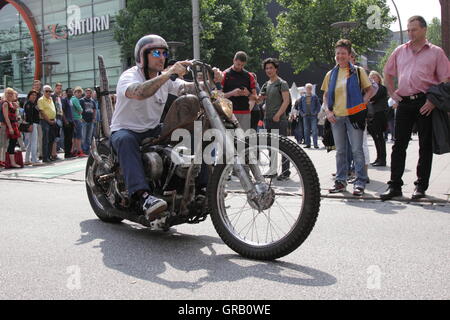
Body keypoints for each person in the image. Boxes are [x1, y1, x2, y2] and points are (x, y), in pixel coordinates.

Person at [110, 34, 222, 222]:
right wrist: (168, 74)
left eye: (164, 53)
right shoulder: (129, 76)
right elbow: (139, 92)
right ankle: (142, 196)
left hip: (154, 129)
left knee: (193, 132)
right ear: (142, 56)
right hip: (126, 129)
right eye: (155, 52)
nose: (161, 57)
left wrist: (212, 79)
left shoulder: (166, 79)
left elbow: (188, 87)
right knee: (125, 140)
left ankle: (204, 189)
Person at [380, 15, 450, 200]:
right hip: (403, 102)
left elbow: (445, 80)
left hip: (425, 102)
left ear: (424, 29)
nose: (410, 33)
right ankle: (394, 185)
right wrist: (392, 93)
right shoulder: (399, 51)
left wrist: (433, 101)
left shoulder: (436, 52)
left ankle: (420, 186)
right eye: (408, 30)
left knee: (425, 145)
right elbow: (387, 73)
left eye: (414, 29)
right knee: (398, 145)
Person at [321, 39, 374, 196]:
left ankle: (360, 182)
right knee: (341, 151)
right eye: (337, 53)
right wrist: (328, 112)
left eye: (343, 53)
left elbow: (370, 90)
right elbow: (325, 95)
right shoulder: (330, 74)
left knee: (357, 150)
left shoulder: (358, 71)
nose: (340, 56)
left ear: (349, 55)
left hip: (354, 117)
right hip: (336, 117)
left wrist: (361, 105)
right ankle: (341, 181)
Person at [258, 58, 291, 181]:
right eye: (266, 68)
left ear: (276, 69)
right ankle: (272, 171)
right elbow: (259, 99)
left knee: (283, 147)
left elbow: (286, 101)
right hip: (268, 119)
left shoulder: (282, 83)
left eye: (271, 68)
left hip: (279, 120)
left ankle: (286, 172)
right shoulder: (266, 84)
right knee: (271, 146)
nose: (269, 70)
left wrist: (278, 114)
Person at [221, 51, 257, 132]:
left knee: (243, 141)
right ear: (234, 60)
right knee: (230, 141)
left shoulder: (249, 76)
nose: (240, 67)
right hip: (229, 113)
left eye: (242, 65)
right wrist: (232, 93)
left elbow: (255, 98)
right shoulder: (225, 74)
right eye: (238, 64)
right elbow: (217, 96)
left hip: (245, 113)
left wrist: (247, 93)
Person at [367, 71, 388, 166]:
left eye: (374, 77)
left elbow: (372, 97)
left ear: (379, 79)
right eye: (370, 77)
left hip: (379, 115)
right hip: (372, 115)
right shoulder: (370, 89)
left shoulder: (382, 88)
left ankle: (382, 159)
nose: (372, 79)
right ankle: (378, 158)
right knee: (376, 138)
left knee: (380, 137)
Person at [1, 88, 22, 168]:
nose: (10, 94)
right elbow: (6, 117)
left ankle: (10, 162)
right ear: (5, 94)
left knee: (12, 143)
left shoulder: (11, 103)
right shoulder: (5, 103)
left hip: (13, 124)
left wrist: (16, 107)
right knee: (4, 145)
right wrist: (10, 128)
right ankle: (4, 162)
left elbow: (15, 115)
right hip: (8, 125)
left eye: (11, 93)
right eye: (8, 93)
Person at [37, 85, 57, 163]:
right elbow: (42, 112)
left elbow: (53, 109)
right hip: (45, 121)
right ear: (43, 91)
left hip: (52, 121)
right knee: (46, 139)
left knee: (51, 139)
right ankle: (45, 157)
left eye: (50, 91)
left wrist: (54, 118)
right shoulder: (41, 100)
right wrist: (49, 120)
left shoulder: (51, 99)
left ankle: (49, 156)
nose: (48, 92)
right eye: (46, 91)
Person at [298, 83, 321, 149]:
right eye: (307, 88)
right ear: (305, 89)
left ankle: (315, 144)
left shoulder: (315, 96)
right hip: (305, 116)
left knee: (314, 130)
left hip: (313, 116)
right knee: (306, 130)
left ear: (311, 89)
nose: (308, 89)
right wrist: (302, 114)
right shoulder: (302, 97)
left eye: (310, 88)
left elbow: (318, 106)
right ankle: (308, 144)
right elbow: (300, 107)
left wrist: (316, 112)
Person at [23, 90, 42, 166]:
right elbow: (29, 115)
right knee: (34, 142)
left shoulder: (32, 104)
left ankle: (27, 160)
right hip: (32, 124)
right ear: (29, 95)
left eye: (35, 95)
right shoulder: (29, 104)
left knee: (31, 142)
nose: (34, 96)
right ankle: (34, 160)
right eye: (32, 95)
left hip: (34, 123)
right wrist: (31, 124)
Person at [80, 88, 97, 154]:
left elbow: (94, 110)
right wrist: (81, 118)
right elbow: (79, 109)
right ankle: (83, 150)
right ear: (85, 93)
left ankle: (87, 150)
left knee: (89, 136)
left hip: (91, 121)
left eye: (90, 93)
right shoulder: (81, 100)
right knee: (83, 136)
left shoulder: (92, 101)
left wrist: (93, 118)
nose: (89, 94)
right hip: (84, 120)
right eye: (87, 93)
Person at [71, 86, 86, 157]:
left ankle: (74, 151)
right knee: (79, 136)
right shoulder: (75, 99)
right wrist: (80, 110)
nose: (79, 94)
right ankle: (79, 151)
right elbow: (80, 109)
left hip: (74, 119)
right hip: (77, 119)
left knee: (74, 136)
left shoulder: (71, 99)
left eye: (80, 93)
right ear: (75, 93)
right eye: (78, 92)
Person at [51, 82, 64, 160]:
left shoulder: (59, 97)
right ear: (55, 88)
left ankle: (54, 153)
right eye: (58, 88)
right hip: (55, 118)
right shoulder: (53, 96)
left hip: (60, 117)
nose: (59, 90)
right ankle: (53, 154)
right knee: (55, 136)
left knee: (57, 136)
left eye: (60, 88)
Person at [62, 88, 75, 159]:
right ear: (67, 93)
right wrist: (65, 120)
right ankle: (66, 153)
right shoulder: (64, 100)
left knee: (70, 138)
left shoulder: (70, 101)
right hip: (67, 122)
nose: (71, 93)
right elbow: (62, 111)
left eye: (71, 92)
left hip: (71, 121)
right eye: (69, 92)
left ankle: (69, 152)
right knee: (67, 138)